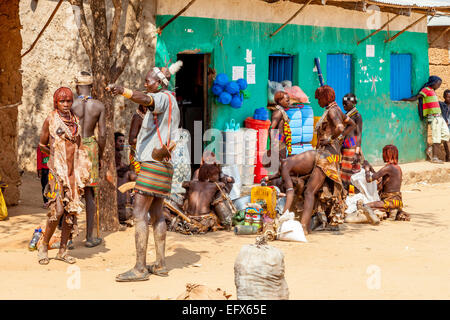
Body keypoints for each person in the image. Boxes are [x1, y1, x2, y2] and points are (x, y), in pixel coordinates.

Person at [107, 60, 183, 282]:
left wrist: (123, 90)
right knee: (157, 214)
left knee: (139, 214)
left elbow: (146, 98)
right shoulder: (171, 100)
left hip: (152, 163)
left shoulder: (161, 98)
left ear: (159, 83)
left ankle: (140, 268)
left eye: (148, 81)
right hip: (164, 164)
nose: (145, 84)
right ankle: (160, 264)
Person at [263, 85, 356, 234]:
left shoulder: (332, 111)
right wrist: (338, 140)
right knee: (313, 190)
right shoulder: (336, 109)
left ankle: (304, 227)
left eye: (319, 98)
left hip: (325, 157)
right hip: (325, 155)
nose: (317, 101)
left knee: (309, 192)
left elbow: (339, 127)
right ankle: (312, 222)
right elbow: (351, 124)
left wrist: (332, 139)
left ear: (325, 97)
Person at [37, 87, 91, 265]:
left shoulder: (75, 120)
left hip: (73, 171)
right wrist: (54, 155)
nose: (66, 104)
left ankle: (62, 250)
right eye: (62, 101)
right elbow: (42, 144)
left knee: (71, 212)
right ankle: (44, 245)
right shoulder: (51, 119)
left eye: (68, 101)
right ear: (56, 102)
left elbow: (79, 144)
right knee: (57, 210)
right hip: (57, 171)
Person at [71, 71, 105, 247]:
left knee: (72, 191)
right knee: (90, 193)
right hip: (91, 147)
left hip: (75, 147)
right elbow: (103, 134)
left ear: (77, 86)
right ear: (91, 87)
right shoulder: (99, 106)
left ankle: (69, 237)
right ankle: (90, 237)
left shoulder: (71, 105)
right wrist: (98, 153)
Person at [403, 76, 450, 163]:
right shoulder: (426, 90)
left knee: (446, 135)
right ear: (433, 82)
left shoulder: (432, 91)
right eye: (438, 84)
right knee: (436, 137)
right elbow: (417, 97)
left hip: (440, 116)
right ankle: (435, 157)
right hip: (434, 117)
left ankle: (431, 148)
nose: (439, 86)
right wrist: (406, 99)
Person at [359, 145, 410, 223]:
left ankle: (383, 214)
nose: (382, 156)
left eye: (383, 153)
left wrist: (366, 169)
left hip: (389, 202)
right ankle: (394, 212)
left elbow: (369, 179)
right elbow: (378, 176)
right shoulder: (397, 168)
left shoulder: (388, 168)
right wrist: (370, 168)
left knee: (364, 206)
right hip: (397, 202)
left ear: (387, 155)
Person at [181, 164, 225, 232]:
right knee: (219, 196)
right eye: (215, 174)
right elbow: (223, 184)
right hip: (204, 220)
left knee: (187, 194)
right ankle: (226, 223)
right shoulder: (215, 185)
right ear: (208, 175)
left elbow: (184, 184)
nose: (217, 177)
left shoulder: (192, 183)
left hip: (188, 218)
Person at [340, 93, 363, 190]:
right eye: (343, 104)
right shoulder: (345, 116)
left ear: (353, 103)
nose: (344, 105)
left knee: (351, 173)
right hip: (344, 148)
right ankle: (345, 192)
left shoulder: (357, 116)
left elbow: (359, 134)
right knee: (344, 172)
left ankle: (351, 193)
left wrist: (357, 152)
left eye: (346, 103)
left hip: (352, 148)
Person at [115, 132, 136, 225]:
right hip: (119, 208)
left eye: (123, 141)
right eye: (120, 141)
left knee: (130, 174)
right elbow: (117, 170)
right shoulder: (115, 154)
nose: (122, 143)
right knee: (129, 174)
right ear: (114, 142)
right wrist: (128, 168)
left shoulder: (118, 154)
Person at [269, 91, 291, 165]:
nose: (289, 102)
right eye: (287, 100)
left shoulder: (282, 111)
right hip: (278, 142)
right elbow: (271, 128)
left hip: (281, 141)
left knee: (282, 162)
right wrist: (276, 141)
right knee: (281, 163)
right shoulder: (278, 112)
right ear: (279, 101)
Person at [128, 105, 148, 174]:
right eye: (146, 105)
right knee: (137, 179)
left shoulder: (148, 117)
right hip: (137, 155)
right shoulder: (137, 117)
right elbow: (131, 140)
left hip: (145, 155)